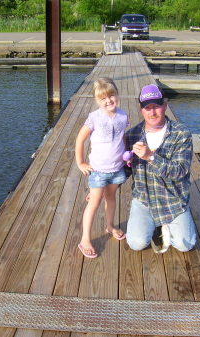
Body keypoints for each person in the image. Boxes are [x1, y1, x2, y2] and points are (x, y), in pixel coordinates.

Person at [125, 84, 196, 253]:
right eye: (147, 108)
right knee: (136, 243)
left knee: (185, 245)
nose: (152, 112)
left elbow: (180, 171)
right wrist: (101, 188)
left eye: (156, 106)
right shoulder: (132, 135)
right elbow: (124, 169)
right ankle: (156, 224)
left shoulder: (181, 134)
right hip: (144, 200)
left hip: (174, 200)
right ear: (141, 110)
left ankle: (180, 218)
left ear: (165, 105)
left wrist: (150, 156)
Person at [75, 77, 128, 258]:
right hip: (98, 170)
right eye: (103, 99)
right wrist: (80, 162)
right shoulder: (94, 118)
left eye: (111, 96)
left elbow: (122, 137)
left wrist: (126, 154)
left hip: (117, 168)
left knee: (111, 197)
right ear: (97, 101)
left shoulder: (123, 115)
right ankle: (85, 239)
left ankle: (110, 225)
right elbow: (80, 140)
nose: (108, 101)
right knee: (95, 202)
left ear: (117, 95)